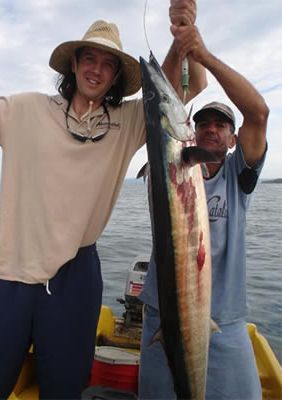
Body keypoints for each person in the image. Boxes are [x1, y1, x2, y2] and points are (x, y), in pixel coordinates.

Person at [0, 2, 207, 399]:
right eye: (89, 58)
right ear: (73, 64)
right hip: (8, 273)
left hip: (76, 279)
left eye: (107, 63)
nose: (96, 69)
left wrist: (182, 33)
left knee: (66, 391)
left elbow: (182, 89)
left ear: (116, 75)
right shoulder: (23, 108)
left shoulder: (126, 122)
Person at [138, 17, 269, 400]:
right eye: (204, 123)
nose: (212, 129)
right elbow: (170, 100)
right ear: (191, 133)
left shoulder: (238, 175)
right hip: (162, 315)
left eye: (221, 125)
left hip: (225, 323)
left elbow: (258, 113)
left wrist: (202, 52)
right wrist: (182, 36)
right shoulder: (170, 162)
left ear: (232, 139)